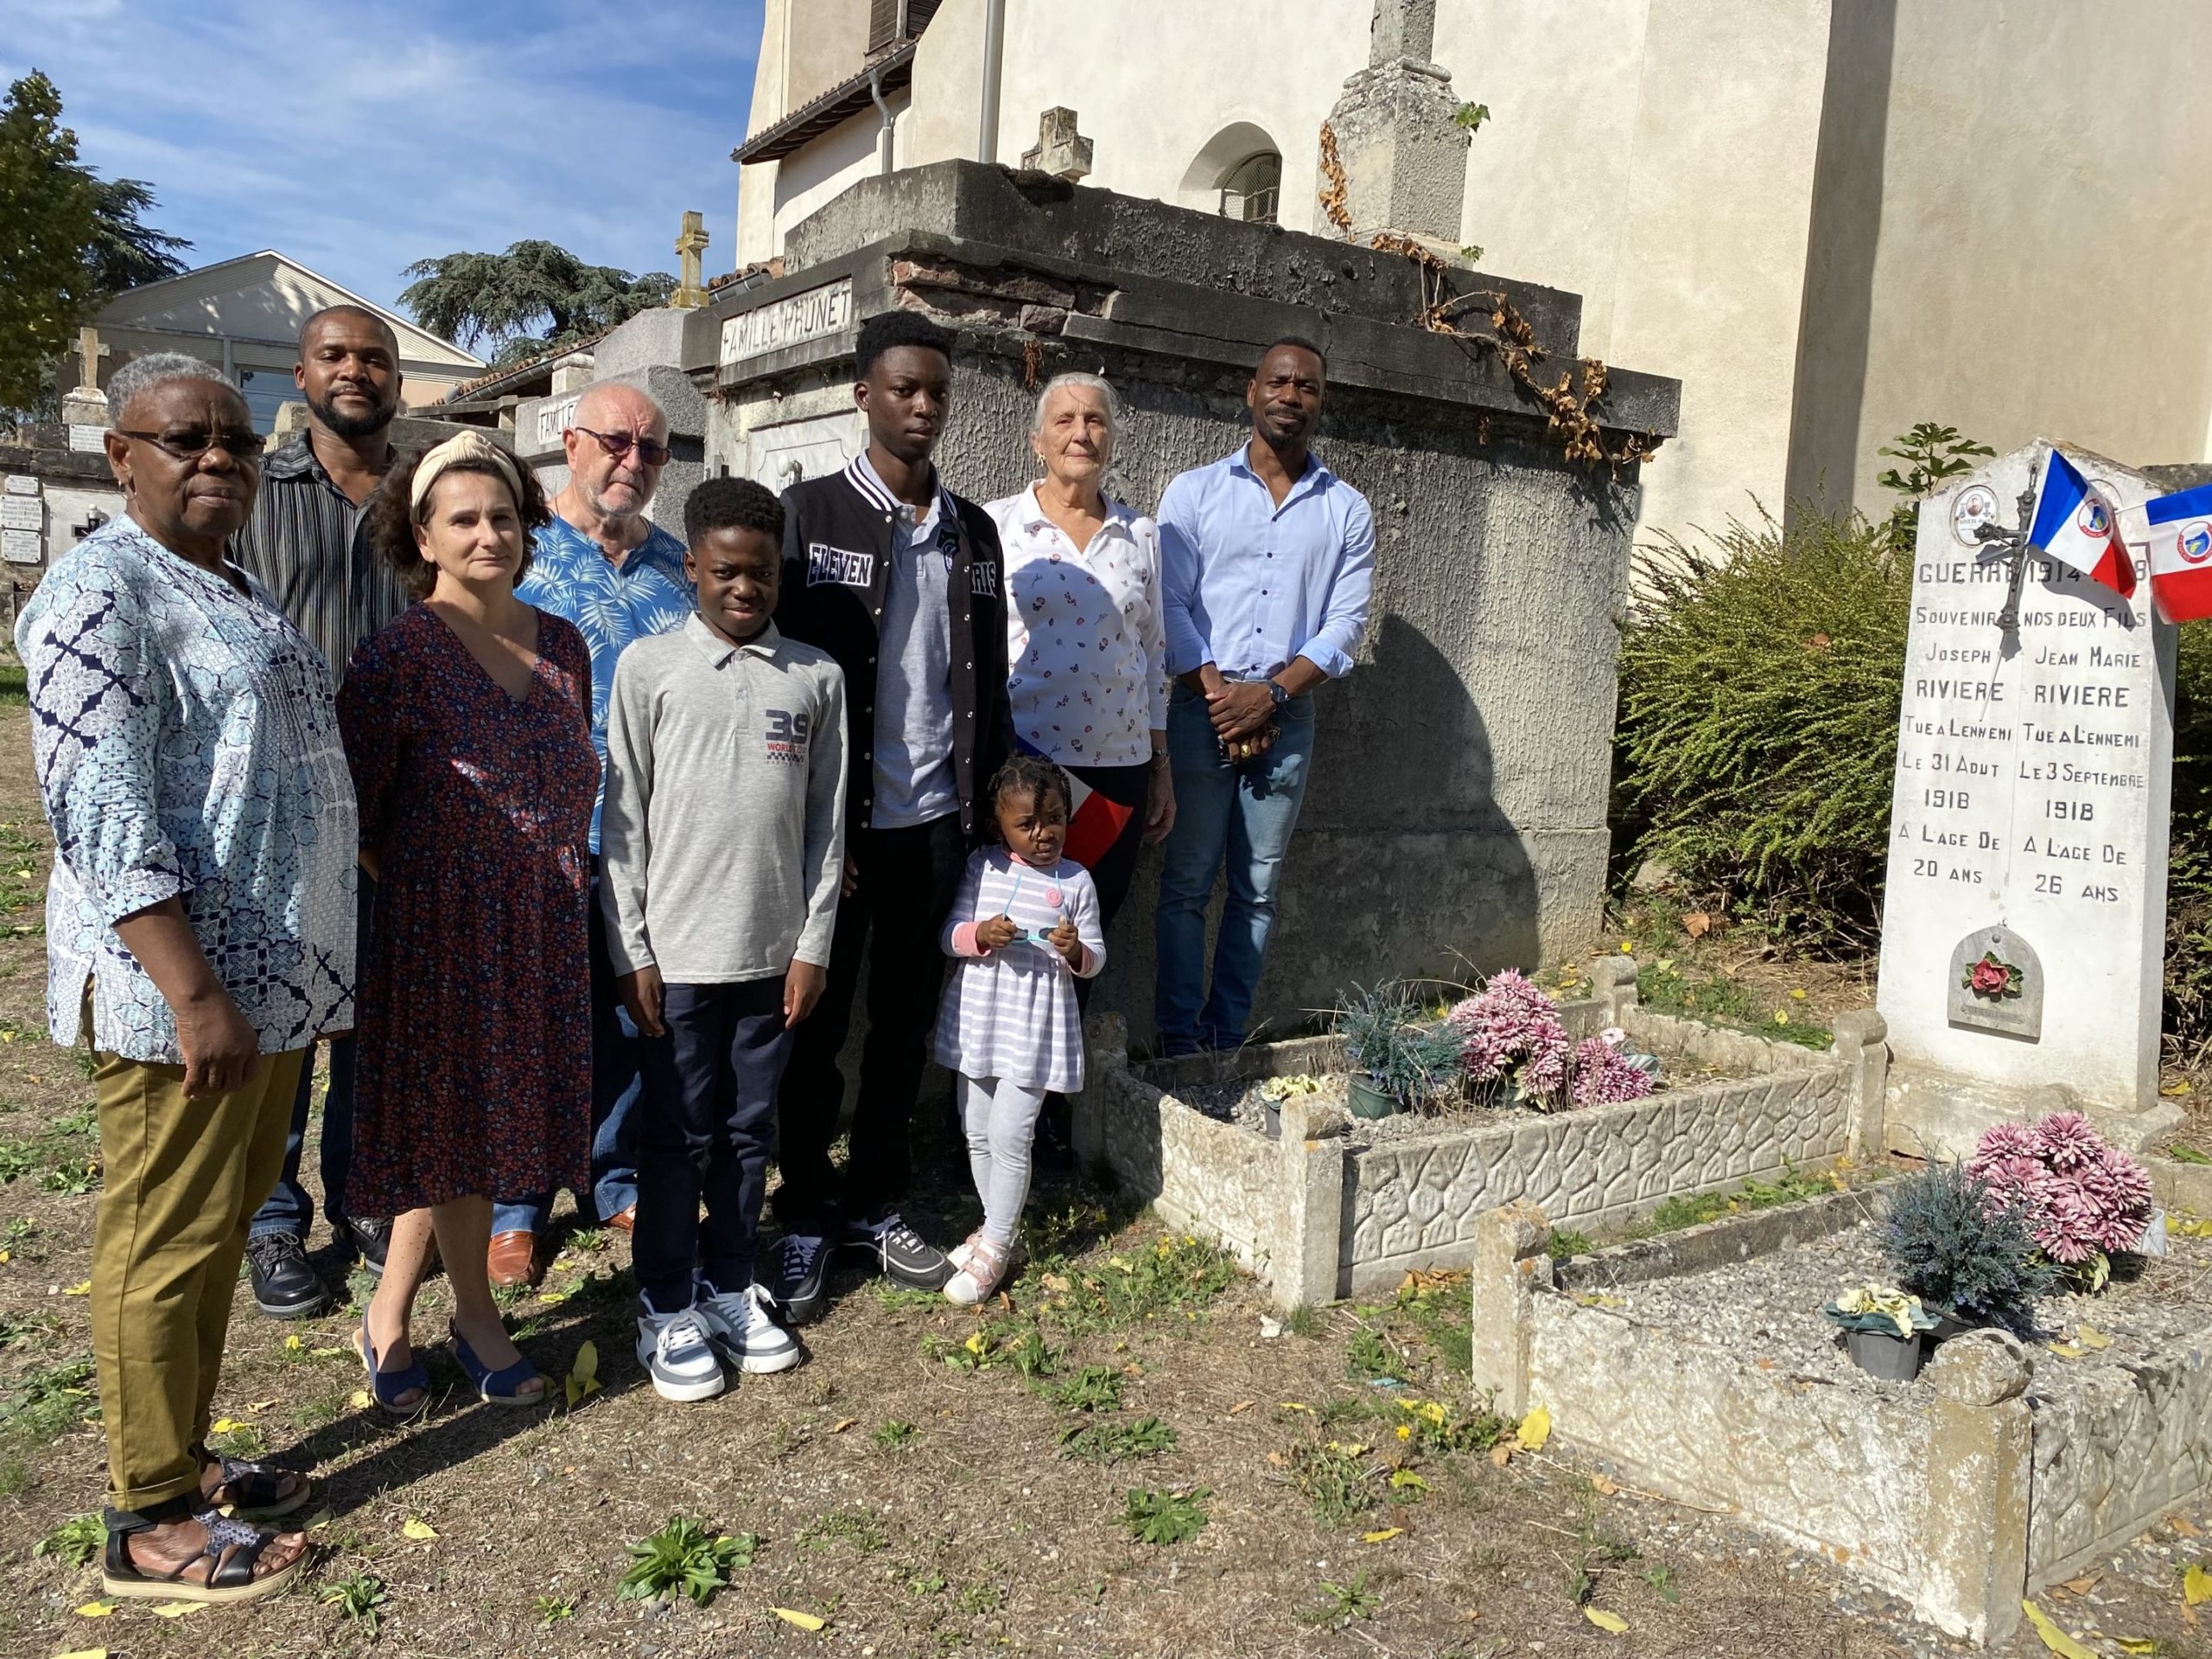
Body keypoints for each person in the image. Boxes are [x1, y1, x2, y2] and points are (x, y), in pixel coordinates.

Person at [20, 353, 357, 1602]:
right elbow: (100, 807)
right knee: (162, 1240)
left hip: (268, 985)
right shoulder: (100, 590)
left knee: (213, 1232)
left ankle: (184, 1457)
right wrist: (193, 993)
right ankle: (146, 1518)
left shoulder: (230, 582)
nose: (218, 457)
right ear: (122, 457)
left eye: (235, 440)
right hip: (185, 991)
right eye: (184, 438)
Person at [340, 432, 599, 1412]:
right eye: (464, 519)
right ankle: (478, 1322)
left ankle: (386, 1315)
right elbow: (357, 813)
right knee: (456, 1130)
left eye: (503, 516)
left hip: (544, 926)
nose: (488, 534)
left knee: (465, 1133)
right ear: (423, 537)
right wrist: (443, 890)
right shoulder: (398, 657)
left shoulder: (563, 645)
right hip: (440, 936)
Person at [770, 310, 1014, 1317]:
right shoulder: (809, 515)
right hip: (838, 830)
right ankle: (803, 1209)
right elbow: (778, 678)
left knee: (905, 1024)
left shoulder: (972, 530)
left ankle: (875, 1201)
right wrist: (811, 825)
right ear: (863, 394)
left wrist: (988, 810)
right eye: (904, 389)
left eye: (937, 392)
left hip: (936, 824)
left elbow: (989, 680)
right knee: (815, 1027)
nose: (923, 407)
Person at [601, 478, 845, 1400]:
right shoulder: (649, 670)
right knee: (677, 1137)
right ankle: (664, 1301)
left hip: (772, 962)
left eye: (762, 573)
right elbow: (623, 823)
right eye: (725, 572)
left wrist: (813, 944)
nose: (745, 588)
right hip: (676, 962)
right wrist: (631, 951)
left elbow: (826, 826)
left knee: (749, 1135)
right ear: (693, 569)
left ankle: (729, 1282)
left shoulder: (815, 678)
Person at [230, 303, 414, 1318]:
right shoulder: (255, 492)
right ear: (300, 376)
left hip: (397, 809)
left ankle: (362, 1195)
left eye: (374, 358)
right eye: (334, 355)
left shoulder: (421, 493)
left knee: (375, 1020)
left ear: (398, 381)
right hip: (284, 809)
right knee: (284, 1022)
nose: (356, 370)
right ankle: (271, 1218)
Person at [495, 381, 694, 1287]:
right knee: (532, 1019)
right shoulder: (517, 555)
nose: (633, 461)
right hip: (536, 839)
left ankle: (613, 1174)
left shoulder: (679, 569)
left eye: (651, 449)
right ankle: (515, 1205)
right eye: (616, 441)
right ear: (571, 443)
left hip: (647, 842)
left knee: (629, 1013)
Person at [1154, 337, 1375, 1057]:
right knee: (1187, 882)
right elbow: (1170, 603)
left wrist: (1272, 695)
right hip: (1200, 709)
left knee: (1257, 887)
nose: (1291, 395)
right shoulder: (1193, 493)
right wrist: (1222, 695)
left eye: (1306, 386)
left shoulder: (1346, 510)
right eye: (1278, 382)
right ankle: (1179, 1043)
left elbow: (1345, 624)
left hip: (1286, 718)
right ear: (1252, 392)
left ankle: (1225, 1040)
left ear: (1321, 402)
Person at [987, 372, 1173, 1162]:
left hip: (1118, 770)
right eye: (1064, 419)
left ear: (1112, 438)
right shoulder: (999, 526)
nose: (1081, 432)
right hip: (1030, 773)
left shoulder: (1141, 536)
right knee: (1019, 936)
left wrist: (1160, 765)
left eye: (1095, 419)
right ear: (1038, 439)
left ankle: (1054, 1106)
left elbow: (1154, 655)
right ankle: (995, 1108)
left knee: (1080, 937)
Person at [931, 755, 1105, 1303]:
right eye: (1026, 824)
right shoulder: (983, 868)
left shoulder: (1076, 880)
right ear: (998, 825)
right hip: (982, 1020)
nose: (1042, 833)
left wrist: (1075, 950)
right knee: (977, 1131)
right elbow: (948, 935)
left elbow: (1096, 958)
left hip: (1034, 1029)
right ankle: (994, 1230)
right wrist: (980, 934)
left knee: (1011, 1136)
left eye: (1054, 819)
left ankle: (998, 1247)